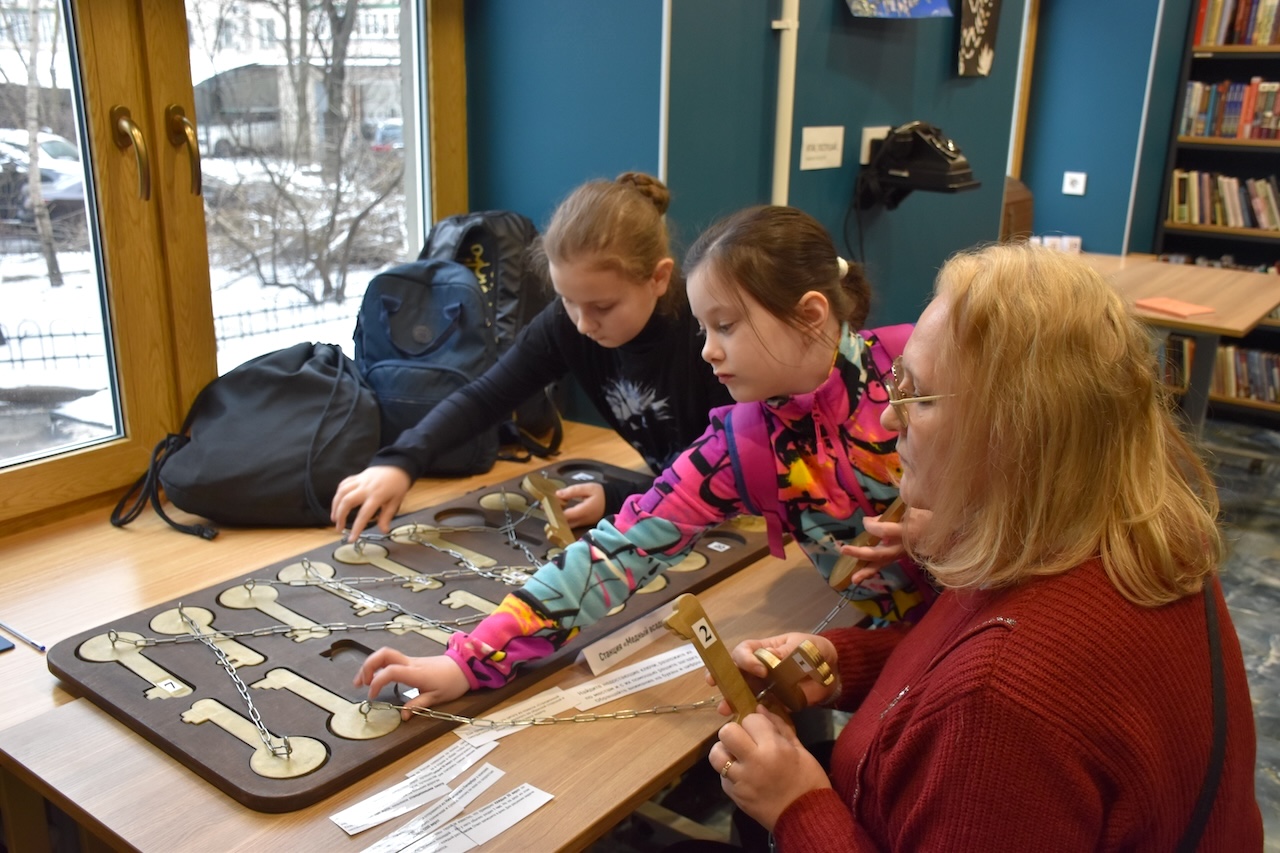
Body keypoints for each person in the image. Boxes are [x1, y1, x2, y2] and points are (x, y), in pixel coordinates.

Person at [704, 242, 1262, 851]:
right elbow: (955, 658)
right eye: (897, 381)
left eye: (919, 396)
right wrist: (842, 664)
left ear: (1013, 433)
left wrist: (797, 806)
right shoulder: (1120, 533)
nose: (889, 419)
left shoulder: (1002, 699)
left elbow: (986, 692)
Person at [354, 205, 931, 712]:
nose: (708, 351)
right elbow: (617, 551)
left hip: (975, 635)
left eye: (726, 326)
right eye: (704, 329)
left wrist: (952, 530)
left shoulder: (923, 371)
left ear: (809, 314)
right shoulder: (740, 447)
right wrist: (469, 660)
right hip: (893, 658)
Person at [332, 172, 736, 538]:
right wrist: (400, 461)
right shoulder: (567, 323)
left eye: (602, 307)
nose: (583, 323)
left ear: (658, 278)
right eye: (568, 301)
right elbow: (486, 396)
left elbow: (734, 466)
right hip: (670, 490)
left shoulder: (707, 335)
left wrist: (620, 497)